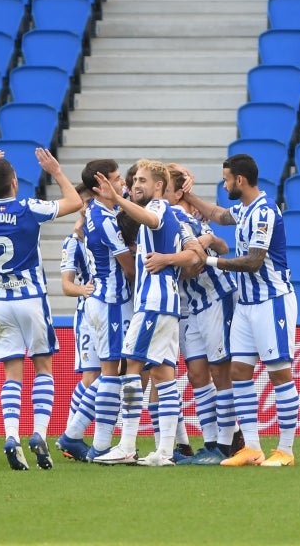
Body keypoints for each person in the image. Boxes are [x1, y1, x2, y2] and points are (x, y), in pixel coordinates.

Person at [0, 147, 82, 471]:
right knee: (43, 367)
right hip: (30, 299)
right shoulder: (28, 207)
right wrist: (56, 171)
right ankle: (40, 433)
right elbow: (75, 202)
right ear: (15, 182)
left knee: (11, 373)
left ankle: (12, 436)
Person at [181, 153, 300, 467]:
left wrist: (207, 260)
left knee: (279, 373)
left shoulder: (264, 212)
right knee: (239, 372)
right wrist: (187, 195)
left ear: (240, 180)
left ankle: (286, 450)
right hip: (246, 305)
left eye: (226, 179)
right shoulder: (245, 209)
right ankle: (252, 447)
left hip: (271, 301)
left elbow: (253, 261)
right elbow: (219, 215)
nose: (224, 184)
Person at [91, 159, 206, 467]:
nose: (135, 185)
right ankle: (165, 451)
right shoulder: (171, 216)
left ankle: (127, 445)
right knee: (164, 376)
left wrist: (116, 199)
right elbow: (197, 253)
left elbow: (152, 220)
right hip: (167, 305)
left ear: (158, 187)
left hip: (153, 303)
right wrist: (171, 258)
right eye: (135, 180)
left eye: (142, 180)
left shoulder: (158, 209)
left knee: (131, 367)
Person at [147, 166, 239, 465]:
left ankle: (226, 443)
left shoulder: (181, 218)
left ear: (174, 193)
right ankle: (211, 442)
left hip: (214, 297)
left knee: (219, 371)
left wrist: (203, 246)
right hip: (189, 306)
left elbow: (221, 246)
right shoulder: (156, 221)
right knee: (198, 374)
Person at [56, 159, 135, 462]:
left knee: (111, 372)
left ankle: (74, 435)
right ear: (100, 186)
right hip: (111, 302)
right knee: (112, 373)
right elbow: (128, 267)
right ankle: (96, 443)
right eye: (116, 179)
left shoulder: (99, 212)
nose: (122, 184)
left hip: (103, 301)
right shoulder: (104, 220)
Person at [58, 184, 97, 442]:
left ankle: (72, 434)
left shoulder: (105, 231)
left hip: (109, 309)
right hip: (87, 316)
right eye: (85, 202)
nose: (89, 205)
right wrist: (83, 290)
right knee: (91, 376)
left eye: (92, 200)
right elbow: (65, 285)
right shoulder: (72, 242)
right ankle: (72, 433)